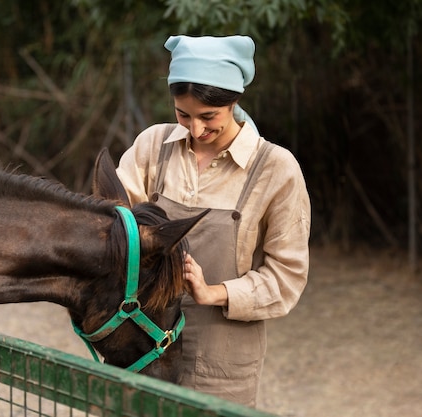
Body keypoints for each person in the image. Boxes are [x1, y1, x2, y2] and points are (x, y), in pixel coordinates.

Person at [116, 35, 310, 407]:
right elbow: (115, 228)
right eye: (182, 114)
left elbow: (286, 277)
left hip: (222, 363)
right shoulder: (152, 147)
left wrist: (213, 292)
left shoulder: (274, 168)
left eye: (208, 117)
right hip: (143, 349)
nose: (195, 129)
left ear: (234, 102)